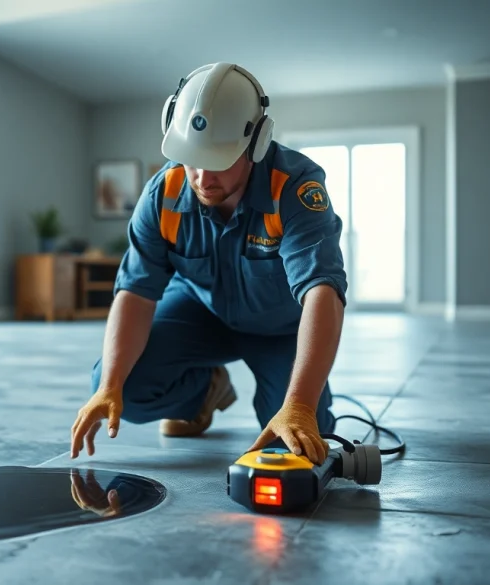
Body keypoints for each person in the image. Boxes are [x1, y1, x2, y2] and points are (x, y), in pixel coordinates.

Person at [69, 62, 347, 465]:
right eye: (190, 158)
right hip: (200, 311)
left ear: (256, 144)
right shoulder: (163, 194)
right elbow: (135, 290)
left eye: (217, 160)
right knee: (119, 387)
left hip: (279, 328)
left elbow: (323, 291)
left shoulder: (294, 187)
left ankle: (303, 405)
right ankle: (204, 392)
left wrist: (301, 404)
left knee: (303, 436)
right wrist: (109, 384)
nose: (201, 177)